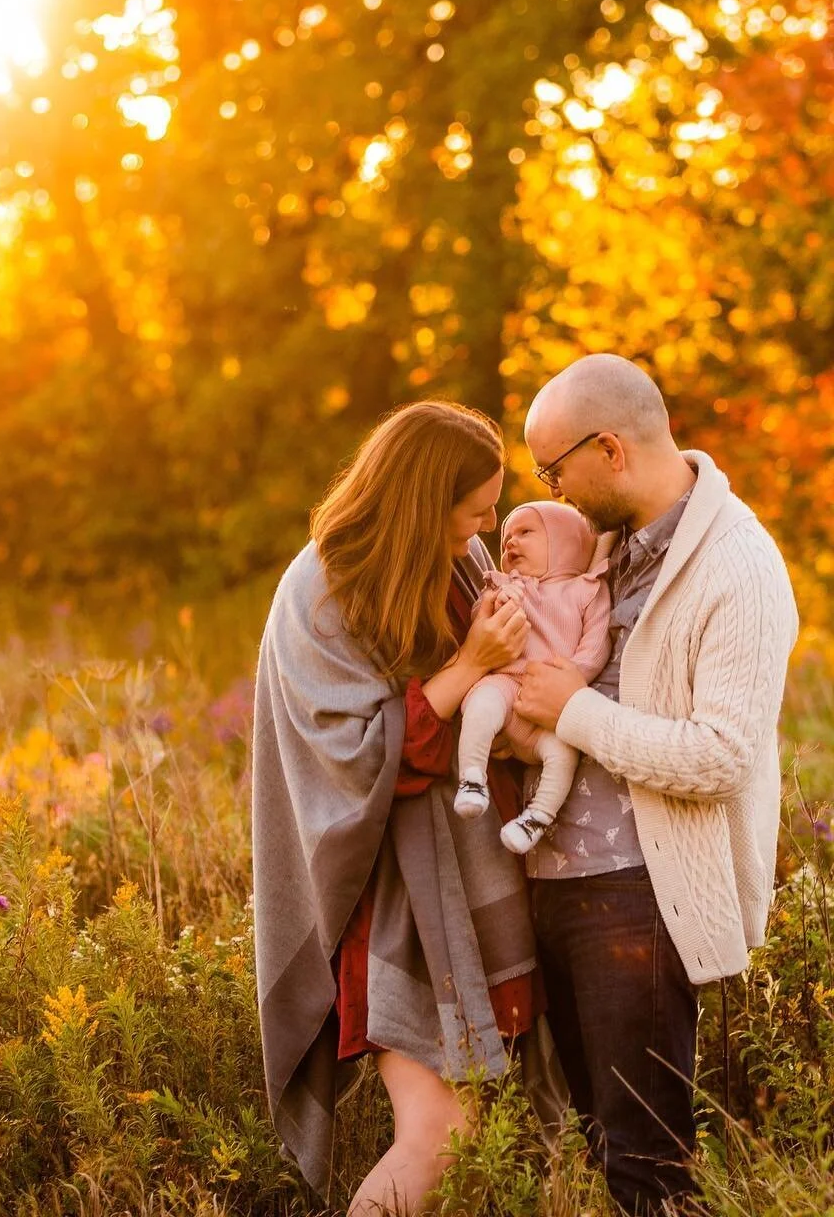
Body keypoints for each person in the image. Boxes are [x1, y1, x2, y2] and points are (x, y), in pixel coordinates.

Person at [252, 401, 558, 1216]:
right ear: (426, 500)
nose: (488, 525)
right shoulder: (321, 587)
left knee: (482, 1138)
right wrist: (471, 663)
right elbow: (355, 760)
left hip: (478, 883)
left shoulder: (453, 559)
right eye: (476, 509)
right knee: (440, 1136)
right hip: (396, 906)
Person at [513, 353, 799, 1216]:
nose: (551, 492)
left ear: (607, 449)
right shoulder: (607, 548)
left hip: (641, 897)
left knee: (648, 1167)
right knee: (597, 1140)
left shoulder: (737, 567)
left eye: (550, 471)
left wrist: (572, 712)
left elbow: (720, 756)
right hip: (554, 885)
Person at [452, 500, 612, 855]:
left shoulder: (586, 590)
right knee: (480, 703)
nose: (510, 542)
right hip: (508, 684)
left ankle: (536, 818)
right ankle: (472, 779)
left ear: (566, 541)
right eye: (507, 538)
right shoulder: (505, 586)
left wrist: (572, 679)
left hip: (551, 706)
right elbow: (481, 624)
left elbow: (596, 644)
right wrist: (495, 601)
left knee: (563, 754)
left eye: (525, 533)